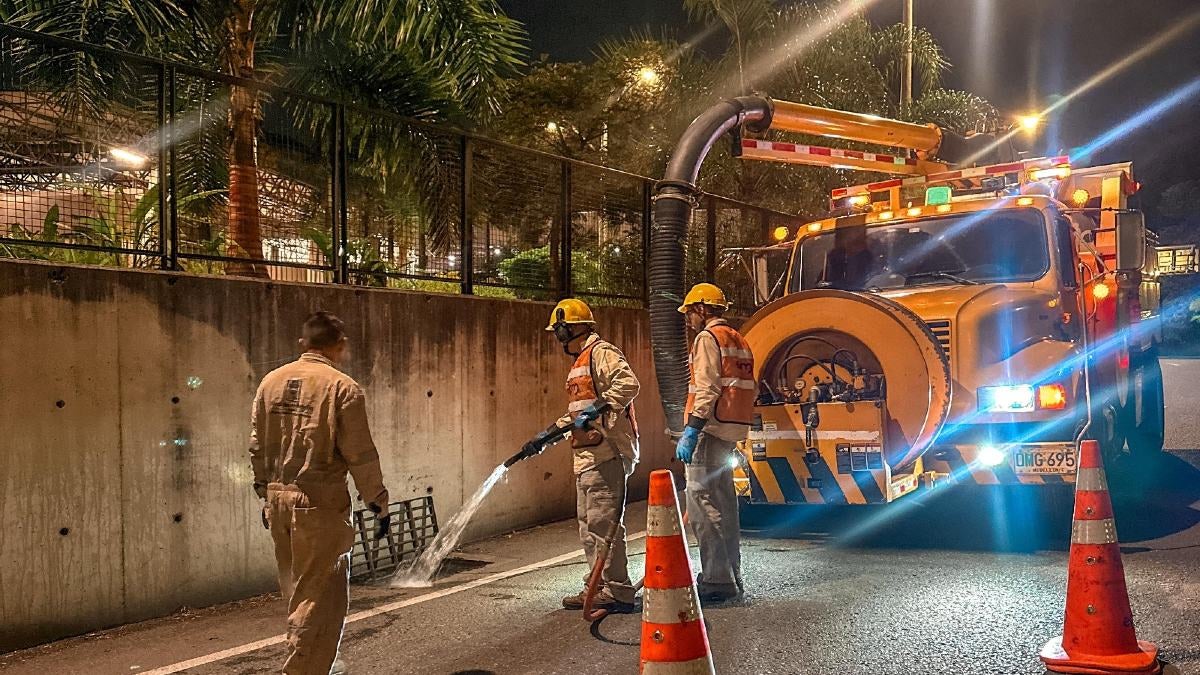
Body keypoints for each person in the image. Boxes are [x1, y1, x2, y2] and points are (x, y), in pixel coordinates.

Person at [250, 311, 390, 675]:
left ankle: (310, 661)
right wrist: (377, 502)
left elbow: (256, 445)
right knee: (320, 598)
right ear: (340, 345)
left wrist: (265, 491)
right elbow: (360, 454)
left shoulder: (270, 383)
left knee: (298, 593)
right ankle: (303, 669)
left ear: (304, 343)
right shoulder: (342, 388)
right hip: (319, 505)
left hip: (277, 500)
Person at [521, 298, 641, 612]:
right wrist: (545, 436)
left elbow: (628, 383)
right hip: (588, 457)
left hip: (607, 454)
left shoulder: (601, 352)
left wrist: (599, 408)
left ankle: (617, 591)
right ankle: (598, 585)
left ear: (569, 329)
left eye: (559, 331)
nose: (557, 338)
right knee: (589, 527)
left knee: (603, 525)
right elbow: (577, 415)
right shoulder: (580, 364)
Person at [675, 283, 755, 603]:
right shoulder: (738, 338)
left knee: (701, 502)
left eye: (690, 312)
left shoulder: (707, 338)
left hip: (709, 428)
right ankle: (731, 572)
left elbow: (707, 388)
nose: (688, 319)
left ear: (702, 309)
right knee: (725, 502)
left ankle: (717, 578)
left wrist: (692, 429)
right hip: (731, 429)